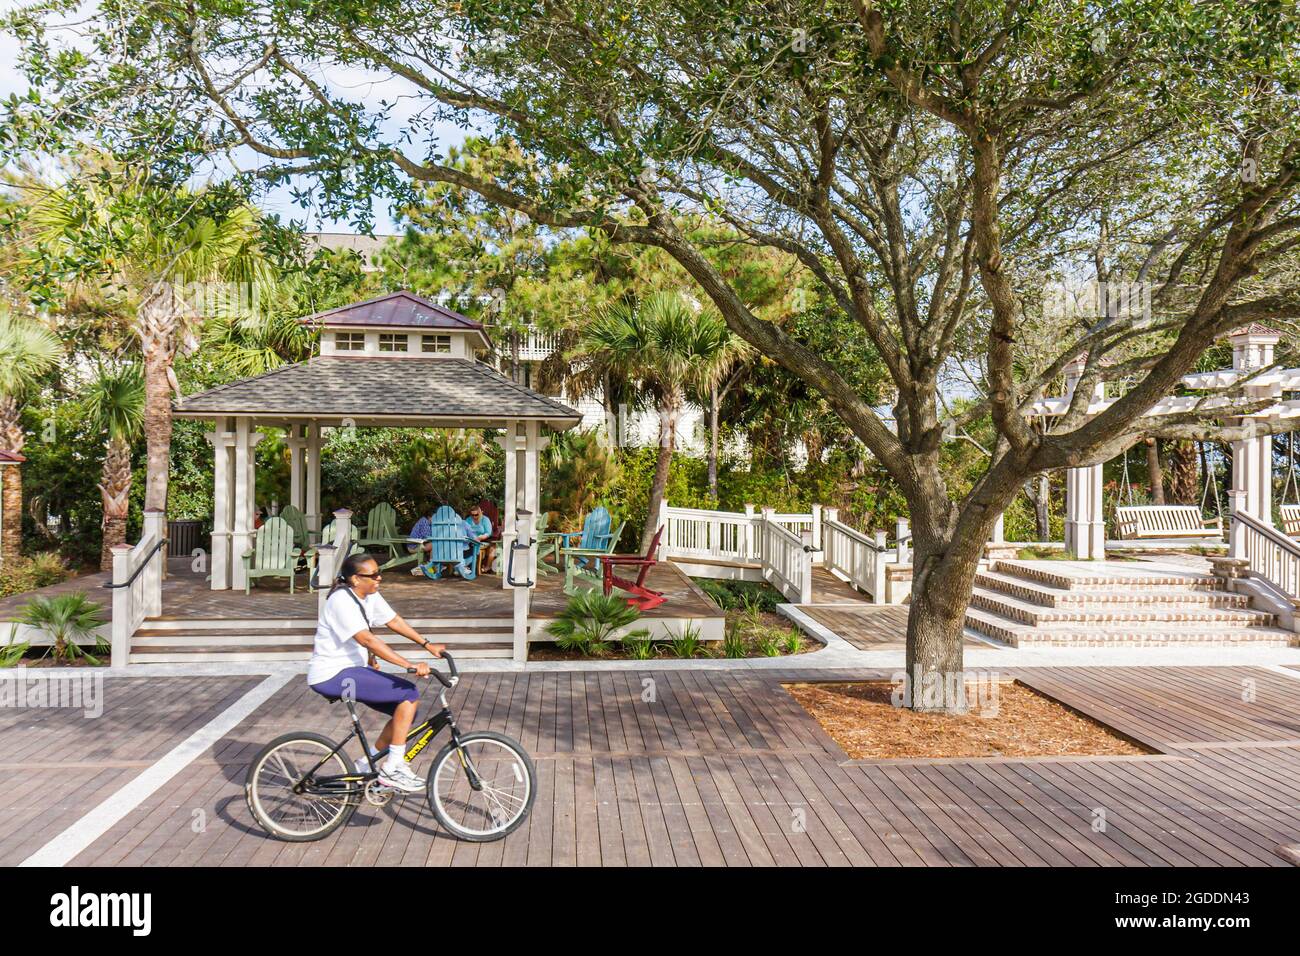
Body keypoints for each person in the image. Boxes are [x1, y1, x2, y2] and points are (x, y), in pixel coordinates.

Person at [306, 552, 446, 793]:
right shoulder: (341, 600)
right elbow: (368, 640)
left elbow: (394, 621)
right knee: (408, 694)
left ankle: (365, 764)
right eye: (373, 575)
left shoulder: (370, 595)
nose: (379, 578)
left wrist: (426, 644)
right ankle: (393, 768)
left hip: (351, 670)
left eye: (379, 572)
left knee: (405, 711)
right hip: (331, 675)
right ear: (355, 579)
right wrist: (408, 665)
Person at [464, 502, 495, 575]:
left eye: (476, 514)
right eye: (472, 515)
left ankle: (468, 566)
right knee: (464, 545)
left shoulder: (485, 520)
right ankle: (464, 566)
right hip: (470, 539)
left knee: (474, 545)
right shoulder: (468, 519)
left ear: (480, 513)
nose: (474, 516)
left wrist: (481, 537)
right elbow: (465, 530)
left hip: (483, 539)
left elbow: (488, 533)